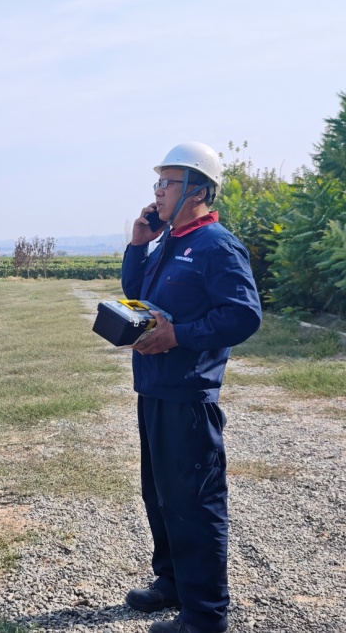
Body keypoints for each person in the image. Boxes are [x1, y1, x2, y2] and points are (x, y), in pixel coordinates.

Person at [121, 142, 262, 633]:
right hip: (155, 391)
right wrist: (139, 244)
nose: (158, 191)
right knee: (159, 495)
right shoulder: (169, 242)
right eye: (157, 183)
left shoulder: (215, 245)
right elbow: (136, 297)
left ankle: (205, 614)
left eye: (168, 183)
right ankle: (172, 583)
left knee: (194, 503)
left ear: (198, 190)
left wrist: (179, 335)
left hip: (188, 397)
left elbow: (243, 315)